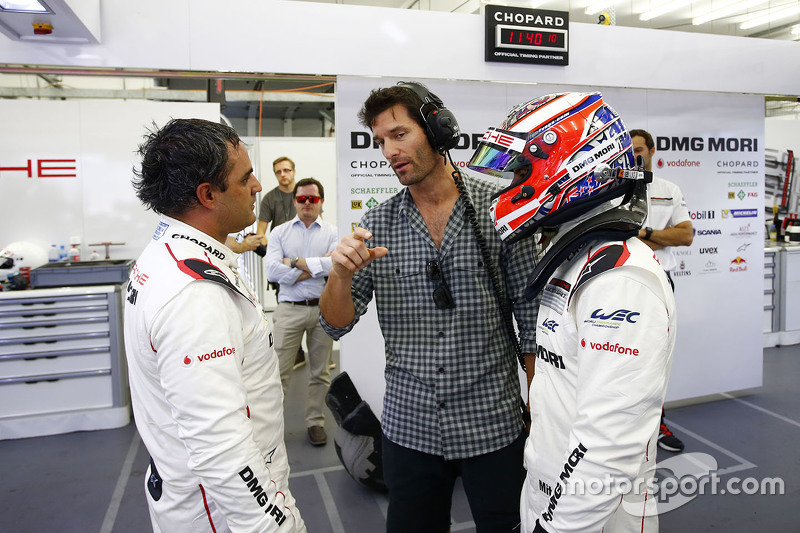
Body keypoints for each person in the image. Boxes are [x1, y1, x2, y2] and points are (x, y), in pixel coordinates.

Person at [319, 82, 538, 533]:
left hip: (492, 422)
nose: (389, 151)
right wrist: (339, 277)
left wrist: (542, 406)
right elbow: (335, 323)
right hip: (409, 427)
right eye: (381, 141)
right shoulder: (377, 223)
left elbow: (531, 320)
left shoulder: (499, 210)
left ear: (438, 130)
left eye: (399, 134)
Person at [468, 92, 677, 532]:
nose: (509, 187)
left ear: (572, 164)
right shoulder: (576, 257)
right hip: (547, 489)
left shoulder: (619, 278)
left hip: (591, 515)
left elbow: (610, 442)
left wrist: (557, 528)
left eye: (521, 171)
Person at [125, 118, 305, 533]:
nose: (259, 186)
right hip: (224, 515)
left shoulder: (167, 253)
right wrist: (276, 525)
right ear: (207, 195)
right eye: (245, 178)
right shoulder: (194, 294)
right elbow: (220, 446)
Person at [631, 128, 693, 453]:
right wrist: (659, 234)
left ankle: (659, 424)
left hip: (659, 282)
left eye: (640, 150)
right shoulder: (613, 192)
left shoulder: (669, 189)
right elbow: (613, 236)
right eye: (630, 151)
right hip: (621, 281)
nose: (635, 156)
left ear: (652, 151)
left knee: (657, 356)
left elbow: (685, 236)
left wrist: (643, 232)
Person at [265, 177, 338, 447]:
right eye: (302, 199)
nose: (307, 203)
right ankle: (272, 430)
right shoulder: (279, 233)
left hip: (322, 311)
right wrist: (314, 268)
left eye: (313, 199)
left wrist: (293, 263)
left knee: (320, 373)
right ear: (294, 201)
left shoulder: (332, 232)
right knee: (278, 374)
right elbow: (272, 271)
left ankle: (315, 423)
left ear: (321, 201)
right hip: (289, 311)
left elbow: (335, 266)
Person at [258, 156, 306, 369]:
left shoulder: (306, 195)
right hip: (283, 265)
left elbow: (315, 224)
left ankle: (321, 355)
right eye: (278, 171)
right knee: (287, 309)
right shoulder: (269, 199)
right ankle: (295, 354)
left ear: (294, 172)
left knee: (316, 305)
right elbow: (260, 233)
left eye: (286, 170)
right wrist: (277, 255)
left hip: (306, 261)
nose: (283, 174)